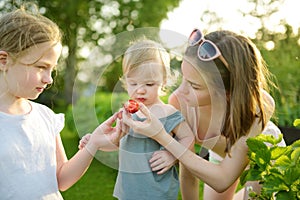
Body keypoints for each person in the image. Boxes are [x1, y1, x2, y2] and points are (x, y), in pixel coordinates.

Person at [122, 29, 286, 200]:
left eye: (194, 86)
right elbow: (188, 171)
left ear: (226, 93)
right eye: (184, 78)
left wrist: (162, 136)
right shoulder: (180, 103)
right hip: (221, 156)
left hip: (261, 160)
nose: (180, 92)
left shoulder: (258, 109)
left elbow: (222, 179)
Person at [0, 6, 124, 200]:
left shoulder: (45, 117)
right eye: (41, 67)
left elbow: (62, 180)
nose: (49, 79)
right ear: (3, 60)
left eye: (52, 70)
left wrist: (94, 143)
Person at [80, 38, 194, 200]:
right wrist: (94, 142)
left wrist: (172, 155)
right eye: (133, 83)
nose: (140, 91)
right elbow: (117, 142)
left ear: (164, 81)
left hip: (159, 192)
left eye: (149, 84)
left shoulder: (168, 112)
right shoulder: (127, 114)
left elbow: (188, 137)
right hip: (128, 191)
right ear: (125, 81)